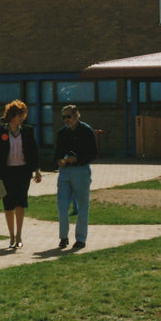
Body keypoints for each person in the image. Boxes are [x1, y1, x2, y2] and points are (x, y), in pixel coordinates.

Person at [0, 100, 41, 249]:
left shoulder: (27, 131)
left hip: (23, 171)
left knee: (21, 202)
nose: (22, 118)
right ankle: (11, 236)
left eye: (23, 115)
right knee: (8, 204)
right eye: (20, 115)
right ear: (12, 116)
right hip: (6, 172)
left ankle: (19, 235)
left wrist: (37, 170)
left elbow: (33, 152)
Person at [54, 104, 97, 251]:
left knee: (82, 206)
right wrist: (60, 160)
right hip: (64, 172)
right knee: (62, 205)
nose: (66, 120)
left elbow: (93, 154)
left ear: (77, 115)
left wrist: (77, 159)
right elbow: (57, 153)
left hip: (81, 171)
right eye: (64, 117)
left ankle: (80, 239)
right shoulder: (62, 133)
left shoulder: (86, 131)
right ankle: (63, 237)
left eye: (69, 116)